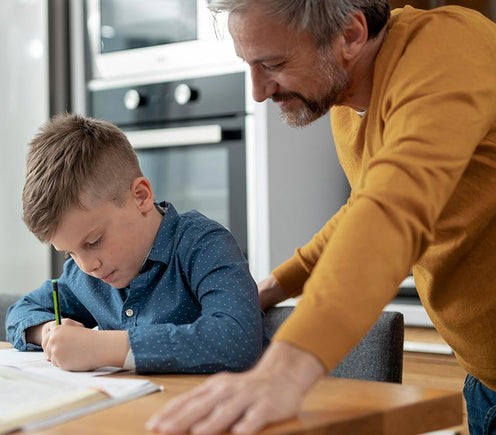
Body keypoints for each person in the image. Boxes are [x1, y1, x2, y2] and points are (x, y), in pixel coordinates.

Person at [146, 0, 496, 434]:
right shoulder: (345, 97)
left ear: (350, 35)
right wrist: (276, 284)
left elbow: (392, 210)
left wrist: (285, 370)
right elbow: (362, 206)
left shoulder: (450, 48)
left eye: (272, 63)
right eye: (249, 65)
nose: (258, 91)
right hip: (485, 382)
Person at [5, 113, 266, 374]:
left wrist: (104, 348)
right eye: (70, 253)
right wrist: (48, 332)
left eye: (94, 241)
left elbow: (237, 338)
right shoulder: (87, 274)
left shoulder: (203, 245)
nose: (88, 266)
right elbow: (21, 312)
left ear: (141, 196)